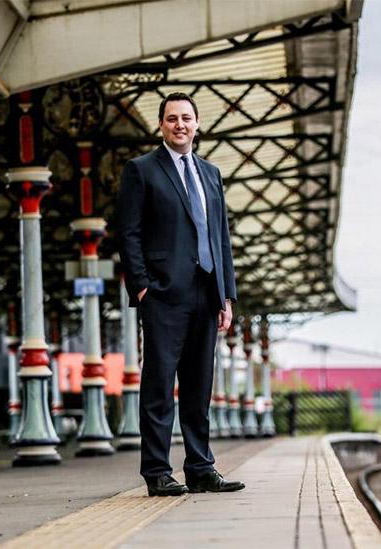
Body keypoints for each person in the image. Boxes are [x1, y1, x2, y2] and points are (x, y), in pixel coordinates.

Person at [117, 92, 245, 496]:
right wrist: (141, 287)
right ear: (161, 126)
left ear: (197, 124)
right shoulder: (141, 170)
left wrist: (226, 295)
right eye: (172, 118)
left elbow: (220, 237)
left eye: (186, 118)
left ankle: (201, 468)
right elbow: (129, 232)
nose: (180, 125)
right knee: (158, 386)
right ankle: (156, 471)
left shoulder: (210, 173)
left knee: (197, 387)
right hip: (163, 294)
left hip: (206, 294)